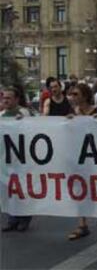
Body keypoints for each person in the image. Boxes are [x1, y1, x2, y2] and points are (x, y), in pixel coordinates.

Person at [66, 83, 97, 240]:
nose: (73, 97)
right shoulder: (72, 113)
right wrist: (69, 123)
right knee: (80, 189)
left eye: (76, 94)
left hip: (95, 157)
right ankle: (82, 224)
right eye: (72, 94)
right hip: (78, 156)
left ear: (85, 95)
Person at [1, 86, 33, 232]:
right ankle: (12, 217)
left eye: (8, 98)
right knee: (9, 189)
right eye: (4, 97)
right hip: (6, 159)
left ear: (16, 99)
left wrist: (23, 122)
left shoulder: (24, 113)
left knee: (21, 189)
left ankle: (24, 218)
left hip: (22, 158)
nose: (5, 100)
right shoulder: (1, 115)